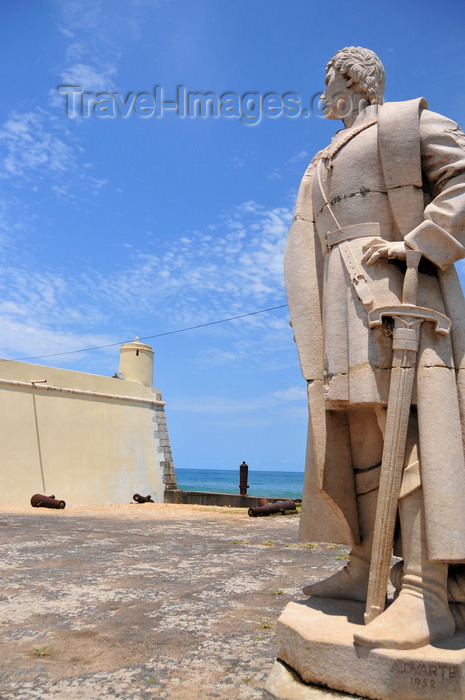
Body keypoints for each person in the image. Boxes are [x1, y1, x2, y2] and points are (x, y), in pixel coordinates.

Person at [284, 46, 465, 649]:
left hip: (393, 293)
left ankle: (425, 590)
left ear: (356, 77)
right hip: (337, 303)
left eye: (328, 77)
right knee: (357, 430)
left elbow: (463, 174)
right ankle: (367, 561)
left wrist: (420, 240)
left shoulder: (404, 123)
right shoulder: (323, 154)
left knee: (409, 428)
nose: (323, 90)